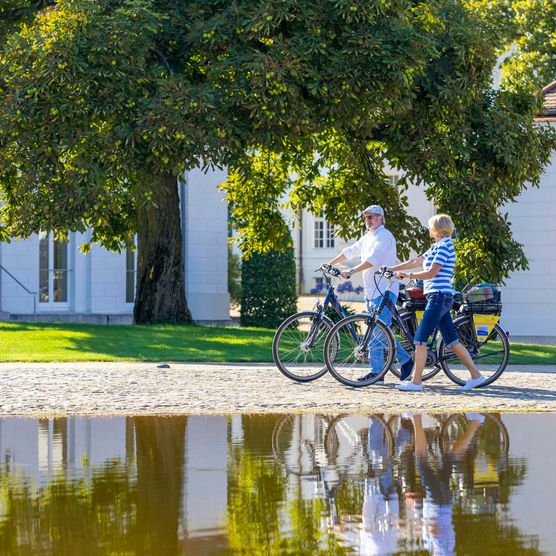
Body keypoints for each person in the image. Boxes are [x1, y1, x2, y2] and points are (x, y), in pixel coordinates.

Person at [391, 214, 484, 392]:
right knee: (452, 341)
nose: (428, 230)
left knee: (420, 340)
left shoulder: (444, 247)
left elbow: (431, 273)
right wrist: (392, 268)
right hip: (440, 297)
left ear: (436, 229)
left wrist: (408, 275)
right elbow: (416, 261)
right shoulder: (437, 246)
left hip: (438, 297)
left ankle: (416, 382)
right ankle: (476, 376)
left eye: (430, 227)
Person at [326, 205, 413, 382]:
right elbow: (349, 251)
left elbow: (373, 260)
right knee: (379, 331)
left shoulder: (385, 236)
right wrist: (330, 263)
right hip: (371, 291)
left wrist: (352, 271)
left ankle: (386, 368)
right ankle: (388, 368)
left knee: (378, 332)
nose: (368, 220)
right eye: (366, 217)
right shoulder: (367, 237)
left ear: (380, 218)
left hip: (385, 290)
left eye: (371, 217)